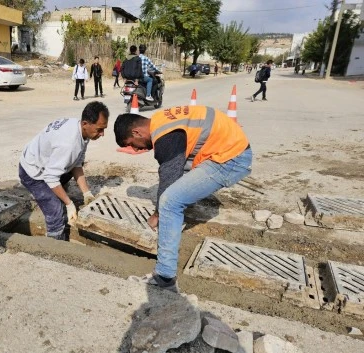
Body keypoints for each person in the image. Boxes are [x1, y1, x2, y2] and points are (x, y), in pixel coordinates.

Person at [114, 106, 252, 292]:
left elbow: (169, 176)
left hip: (229, 159)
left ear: (136, 131)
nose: (136, 149)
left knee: (169, 203)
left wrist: (157, 214)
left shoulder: (165, 137)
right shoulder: (161, 121)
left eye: (132, 143)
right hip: (229, 149)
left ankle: (165, 278)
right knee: (176, 192)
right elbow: (178, 166)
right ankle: (175, 221)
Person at [19, 102, 109, 241]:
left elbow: (77, 162)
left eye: (103, 129)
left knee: (66, 169)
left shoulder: (82, 131)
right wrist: (69, 203)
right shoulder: (69, 143)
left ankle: (56, 194)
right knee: (56, 210)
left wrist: (86, 193)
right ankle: (56, 244)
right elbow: (50, 177)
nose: (102, 134)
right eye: (99, 129)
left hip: (46, 163)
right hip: (32, 172)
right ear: (85, 123)